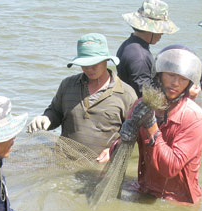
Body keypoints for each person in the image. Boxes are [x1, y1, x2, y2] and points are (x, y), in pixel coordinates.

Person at [27, 33, 137, 162]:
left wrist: (114, 150)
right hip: (64, 161)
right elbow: (56, 112)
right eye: (84, 64)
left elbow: (134, 135)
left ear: (106, 60)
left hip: (101, 168)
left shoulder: (126, 94)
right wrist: (46, 118)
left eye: (94, 63)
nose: (89, 69)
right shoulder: (67, 85)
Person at [119, 45, 202, 203]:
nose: (175, 83)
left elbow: (170, 168)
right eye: (171, 75)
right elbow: (118, 155)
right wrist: (123, 137)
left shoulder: (195, 117)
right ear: (159, 75)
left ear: (189, 83)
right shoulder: (141, 105)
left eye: (183, 79)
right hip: (144, 190)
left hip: (179, 201)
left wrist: (151, 125)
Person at [116, 0, 180, 98]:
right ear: (151, 29)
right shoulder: (140, 57)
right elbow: (145, 95)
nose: (162, 33)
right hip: (135, 107)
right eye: (160, 30)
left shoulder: (129, 44)